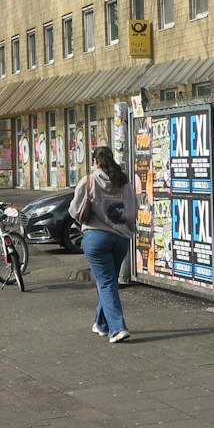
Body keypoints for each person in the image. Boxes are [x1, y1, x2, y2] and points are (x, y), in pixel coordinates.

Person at [72, 145, 138, 343]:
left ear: (96, 161)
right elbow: (133, 209)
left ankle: (117, 328)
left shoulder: (89, 180)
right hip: (120, 239)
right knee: (108, 282)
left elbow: (75, 211)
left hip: (96, 238)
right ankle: (101, 324)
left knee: (106, 282)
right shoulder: (123, 181)